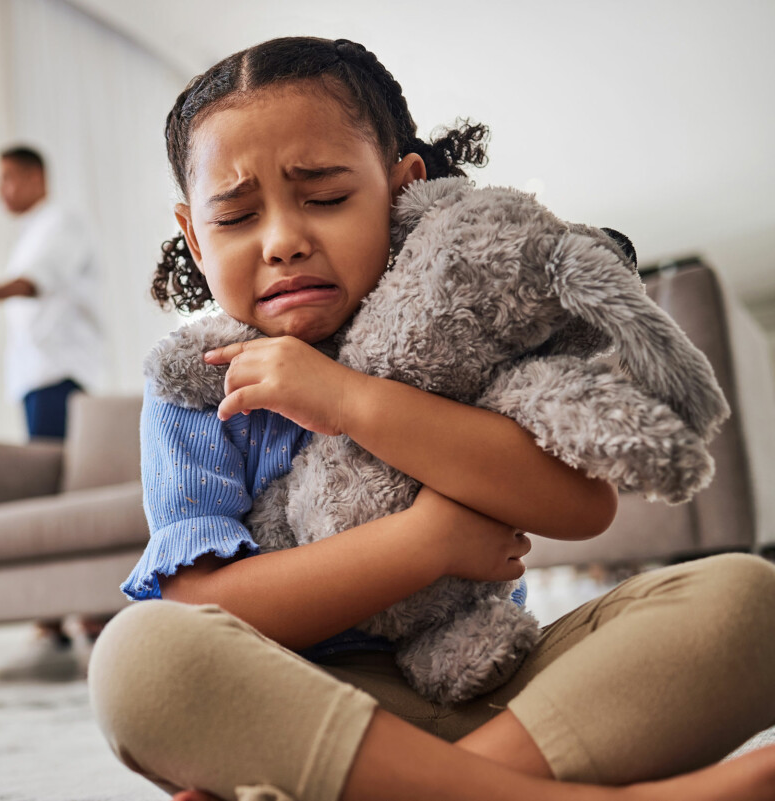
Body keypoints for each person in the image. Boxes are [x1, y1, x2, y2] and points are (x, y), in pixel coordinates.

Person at [87, 37, 775, 801]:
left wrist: (348, 400)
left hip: (500, 691)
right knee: (138, 659)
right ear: (194, 236)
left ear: (401, 184)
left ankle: (422, 788)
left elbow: (582, 507)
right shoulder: (193, 386)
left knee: (748, 601)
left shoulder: (463, 328)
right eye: (238, 216)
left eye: (325, 197)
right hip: (311, 705)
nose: (283, 240)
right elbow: (197, 606)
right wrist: (425, 542)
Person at [0, 146, 109, 681]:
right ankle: (56, 618)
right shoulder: (31, 232)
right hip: (37, 379)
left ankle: (78, 612)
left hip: (58, 376)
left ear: (36, 176)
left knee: (61, 490)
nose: (0, 191)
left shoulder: (59, 222)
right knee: (49, 488)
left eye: (8, 179)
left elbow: (39, 279)